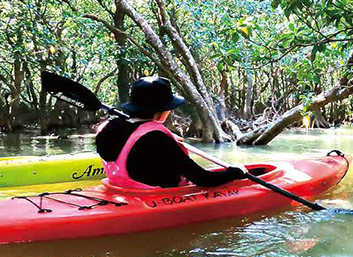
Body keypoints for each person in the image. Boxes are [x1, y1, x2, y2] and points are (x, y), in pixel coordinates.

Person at [96, 76, 245, 188]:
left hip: (120, 189)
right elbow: (203, 179)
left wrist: (167, 140)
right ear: (161, 111)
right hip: (153, 196)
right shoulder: (158, 140)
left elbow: (136, 137)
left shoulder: (108, 127)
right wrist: (234, 173)